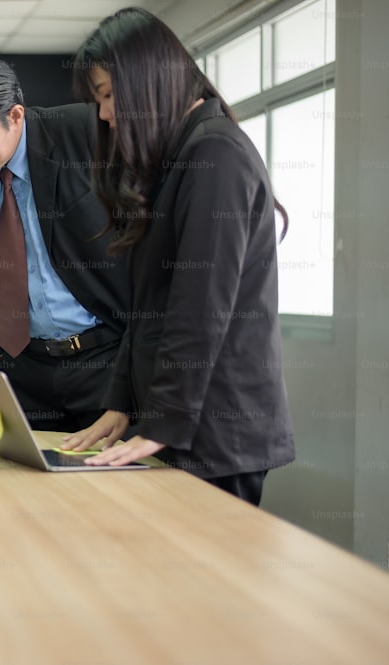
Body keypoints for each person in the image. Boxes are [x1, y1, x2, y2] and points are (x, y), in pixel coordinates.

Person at [61, 7, 295, 505]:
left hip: (214, 431)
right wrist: (122, 402)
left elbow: (199, 304)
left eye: (107, 96)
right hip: (176, 425)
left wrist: (162, 421)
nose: (102, 115)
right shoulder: (180, 157)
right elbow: (150, 306)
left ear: (147, 81)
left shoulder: (215, 155)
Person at [0, 55, 130, 433]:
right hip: (25, 371)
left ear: (16, 115)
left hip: (106, 362)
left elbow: (143, 251)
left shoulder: (89, 133)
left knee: (113, 488)